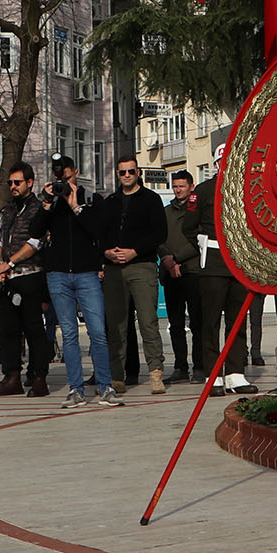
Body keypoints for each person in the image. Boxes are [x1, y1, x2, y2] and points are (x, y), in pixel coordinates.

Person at [42, 154, 117, 408]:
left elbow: (99, 231)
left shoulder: (91, 199)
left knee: (97, 331)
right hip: (58, 275)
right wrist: (47, 202)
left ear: (75, 172)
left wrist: (76, 206)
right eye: (58, 177)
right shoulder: (51, 203)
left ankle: (105, 386)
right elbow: (35, 231)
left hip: (87, 274)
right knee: (70, 335)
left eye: (67, 175)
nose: (63, 181)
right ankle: (75, 389)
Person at [89, 153, 168, 394]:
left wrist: (135, 251)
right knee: (116, 325)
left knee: (148, 322)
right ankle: (116, 376)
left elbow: (159, 233)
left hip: (141, 265)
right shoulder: (110, 201)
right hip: (113, 268)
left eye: (130, 171)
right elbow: (99, 234)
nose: (126, 176)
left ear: (138, 173)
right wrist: (106, 253)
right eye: (122, 172)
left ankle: (156, 373)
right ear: (117, 174)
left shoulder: (151, 199)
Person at [193, 153, 258, 395]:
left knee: (238, 321)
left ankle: (235, 373)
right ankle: (213, 375)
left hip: (238, 263)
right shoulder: (203, 190)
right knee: (211, 323)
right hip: (213, 264)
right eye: (223, 162)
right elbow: (190, 226)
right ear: (216, 164)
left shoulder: (246, 190)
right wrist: (203, 250)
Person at [0, 162, 52, 398]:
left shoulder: (39, 209)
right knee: (7, 330)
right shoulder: (6, 211)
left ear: (29, 182)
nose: (13, 187)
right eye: (10, 183)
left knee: (34, 329)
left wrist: (11, 263)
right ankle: (12, 375)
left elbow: (36, 242)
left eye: (17, 182)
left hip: (31, 276)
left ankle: (39, 377)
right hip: (6, 279)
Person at [157, 171, 203, 381]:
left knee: (197, 322)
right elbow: (158, 237)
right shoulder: (165, 212)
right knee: (175, 324)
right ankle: (180, 368)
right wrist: (168, 260)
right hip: (170, 274)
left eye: (182, 186)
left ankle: (200, 367)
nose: (178, 190)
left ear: (191, 186)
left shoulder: (197, 211)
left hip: (192, 272)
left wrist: (176, 258)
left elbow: (199, 240)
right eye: (175, 186)